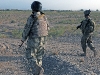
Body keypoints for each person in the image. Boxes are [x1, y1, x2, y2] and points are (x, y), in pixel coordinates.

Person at [20, 1, 50, 75]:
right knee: (39, 55)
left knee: (29, 55)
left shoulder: (32, 17)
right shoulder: (44, 17)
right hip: (44, 39)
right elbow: (48, 28)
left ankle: (37, 67)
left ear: (32, 8)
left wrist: (23, 39)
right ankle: (38, 71)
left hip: (34, 39)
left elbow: (27, 29)